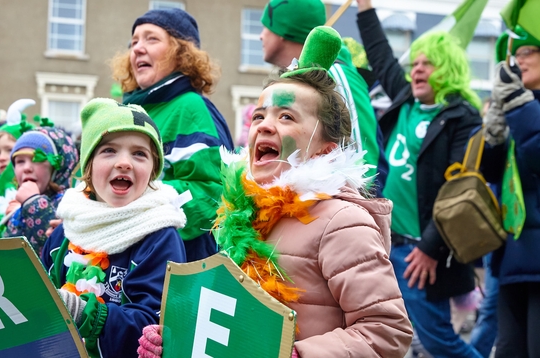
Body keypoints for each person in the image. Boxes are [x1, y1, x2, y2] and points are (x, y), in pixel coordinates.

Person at [138, 26, 412, 358]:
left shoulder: (343, 222)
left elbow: (388, 332)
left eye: (286, 116)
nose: (265, 125)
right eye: (259, 116)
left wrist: (297, 354)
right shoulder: (240, 212)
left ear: (325, 151)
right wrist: (175, 334)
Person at [356, 1, 483, 356]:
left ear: (448, 68)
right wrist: (364, 8)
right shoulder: (405, 100)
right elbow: (380, 55)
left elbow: (457, 193)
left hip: (419, 252)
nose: (418, 69)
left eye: (428, 63)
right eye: (415, 63)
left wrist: (429, 248)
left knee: (438, 340)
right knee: (397, 338)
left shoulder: (462, 119)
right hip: (386, 243)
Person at [41, 98, 187, 358]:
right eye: (109, 150)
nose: (125, 163)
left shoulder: (160, 234)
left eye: (139, 154)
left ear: (153, 170)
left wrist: (83, 312)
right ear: (88, 166)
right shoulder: (69, 226)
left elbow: (155, 324)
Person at [111, 8, 233, 261]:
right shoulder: (131, 110)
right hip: (131, 257)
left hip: (177, 262)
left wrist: (135, 199)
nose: (137, 49)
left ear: (181, 53)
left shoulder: (190, 107)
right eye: (134, 42)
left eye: (151, 39)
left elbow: (210, 191)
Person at [259, 0, 386, 193]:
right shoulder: (293, 81)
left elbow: (363, 163)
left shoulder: (336, 75)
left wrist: (346, 215)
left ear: (285, 30)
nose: (261, 36)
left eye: (266, 26)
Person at [481, 25, 540, 357]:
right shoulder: (520, 109)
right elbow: (490, 174)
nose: (519, 61)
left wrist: (519, 106)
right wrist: (494, 134)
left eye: (527, 51)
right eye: (515, 54)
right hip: (514, 255)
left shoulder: (524, 108)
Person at [3, 126, 77, 254]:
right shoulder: (19, 209)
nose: (26, 168)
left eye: (37, 159)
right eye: (20, 161)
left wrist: (33, 202)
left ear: (57, 169)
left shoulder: (71, 203)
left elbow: (56, 247)